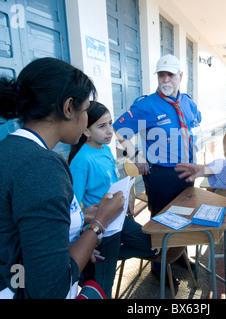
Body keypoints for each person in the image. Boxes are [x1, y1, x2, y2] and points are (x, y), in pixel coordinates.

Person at [0, 57, 125, 299]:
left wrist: (80, 221)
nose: (85, 120)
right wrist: (100, 221)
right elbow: (50, 288)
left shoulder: (5, 151)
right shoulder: (42, 167)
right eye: (85, 110)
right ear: (69, 107)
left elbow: (25, 235)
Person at [113, 54, 201, 280]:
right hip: (162, 173)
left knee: (184, 216)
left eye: (170, 74)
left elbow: (195, 125)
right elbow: (121, 129)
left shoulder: (188, 102)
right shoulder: (146, 104)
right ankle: (160, 267)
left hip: (188, 171)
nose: (166, 79)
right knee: (161, 218)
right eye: (161, 74)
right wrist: (136, 155)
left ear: (180, 76)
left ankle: (179, 253)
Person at [68, 101, 157, 298]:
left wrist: (127, 198)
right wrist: (85, 233)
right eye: (102, 126)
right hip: (101, 227)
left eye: (110, 123)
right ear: (86, 131)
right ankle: (99, 263)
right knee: (103, 287)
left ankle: (106, 258)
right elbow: (74, 205)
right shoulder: (82, 161)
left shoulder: (105, 150)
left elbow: (114, 182)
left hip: (118, 219)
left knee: (152, 246)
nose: (110, 131)